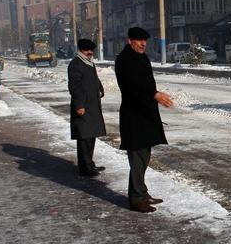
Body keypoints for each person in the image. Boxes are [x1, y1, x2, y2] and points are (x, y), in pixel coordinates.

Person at [115, 27, 174, 213]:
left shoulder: (141, 58)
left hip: (145, 115)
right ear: (129, 40)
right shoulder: (124, 60)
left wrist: (153, 96)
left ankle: (141, 192)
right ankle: (136, 199)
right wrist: (154, 94)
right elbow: (131, 87)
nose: (143, 44)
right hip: (134, 116)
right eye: (139, 40)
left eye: (145, 41)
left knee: (144, 156)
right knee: (138, 158)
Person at [68, 39, 107, 177]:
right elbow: (74, 87)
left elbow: (95, 79)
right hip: (83, 106)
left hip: (92, 105)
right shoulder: (75, 64)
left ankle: (89, 163)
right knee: (84, 137)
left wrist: (100, 89)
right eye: (87, 50)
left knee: (91, 136)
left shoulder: (89, 63)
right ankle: (85, 168)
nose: (90, 53)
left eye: (91, 51)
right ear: (81, 50)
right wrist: (79, 105)